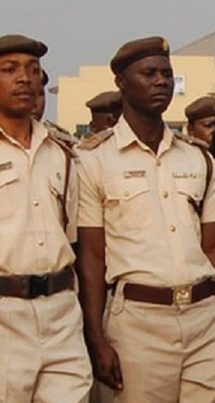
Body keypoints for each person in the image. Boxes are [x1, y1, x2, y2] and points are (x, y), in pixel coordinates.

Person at [76, 36, 215, 403]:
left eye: (167, 74)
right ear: (121, 83)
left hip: (204, 319)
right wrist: (96, 338)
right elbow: (91, 255)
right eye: (149, 73)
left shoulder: (197, 159)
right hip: (138, 322)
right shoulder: (94, 161)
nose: (161, 82)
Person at [0, 33, 92, 403]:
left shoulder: (64, 154)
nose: (24, 78)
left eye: (33, 70)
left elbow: (72, 237)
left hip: (61, 311)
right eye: (10, 70)